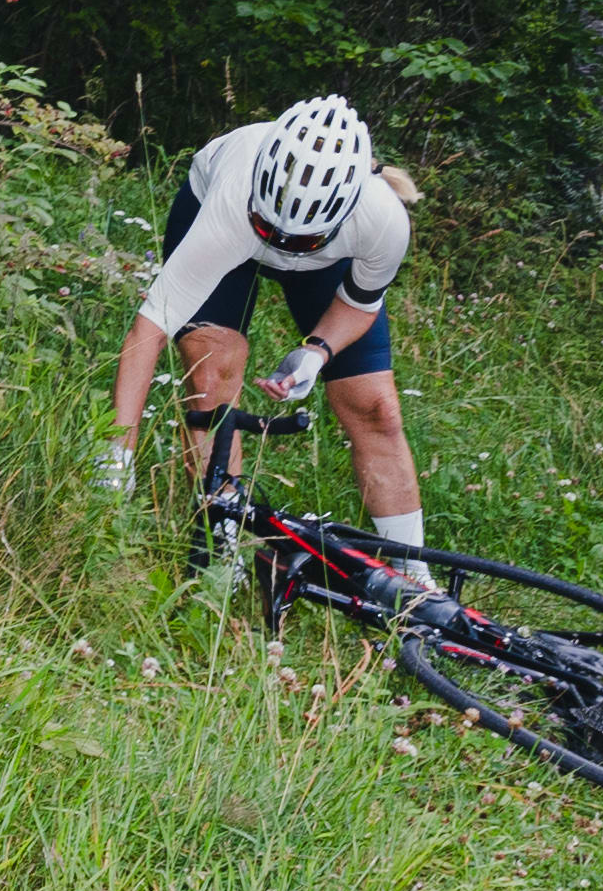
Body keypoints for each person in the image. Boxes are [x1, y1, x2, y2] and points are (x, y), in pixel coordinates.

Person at [98, 93, 427, 561]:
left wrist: (316, 352)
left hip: (324, 259)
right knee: (211, 376)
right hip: (227, 228)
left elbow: (358, 303)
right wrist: (118, 451)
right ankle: (221, 547)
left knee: (376, 408)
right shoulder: (232, 201)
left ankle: (412, 574)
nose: (287, 249)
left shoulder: (382, 222)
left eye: (302, 241)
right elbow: (147, 330)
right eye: (273, 232)